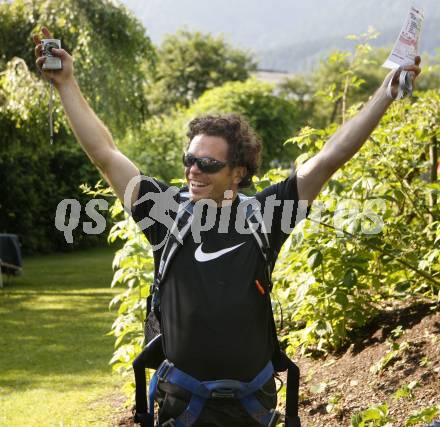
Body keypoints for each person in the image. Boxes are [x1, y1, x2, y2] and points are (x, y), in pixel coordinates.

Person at [33, 26, 421, 427]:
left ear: (238, 172)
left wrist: (387, 91)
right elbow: (105, 153)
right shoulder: (165, 212)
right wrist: (66, 82)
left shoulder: (267, 216)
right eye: (190, 159)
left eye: (208, 164)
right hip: (183, 406)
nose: (193, 171)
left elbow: (329, 157)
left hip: (251, 406)